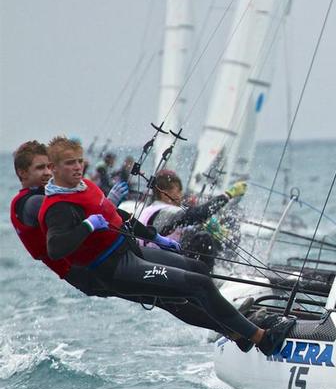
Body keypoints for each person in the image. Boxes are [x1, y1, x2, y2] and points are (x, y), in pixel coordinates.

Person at [38, 136, 292, 354]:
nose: (77, 167)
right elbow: (56, 248)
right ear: (52, 167)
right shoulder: (58, 207)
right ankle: (262, 339)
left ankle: (237, 334)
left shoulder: (85, 186)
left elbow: (118, 216)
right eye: (69, 163)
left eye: (79, 161)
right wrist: (88, 226)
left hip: (132, 251)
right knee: (198, 286)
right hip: (115, 268)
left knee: (198, 269)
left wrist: (155, 237)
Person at [9, 141, 239, 339]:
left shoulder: (54, 194)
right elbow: (66, 223)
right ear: (22, 173)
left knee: (179, 286)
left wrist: (154, 236)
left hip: (113, 256)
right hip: (92, 272)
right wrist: (101, 205)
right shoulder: (32, 204)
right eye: (40, 168)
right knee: (168, 296)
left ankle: (232, 326)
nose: (47, 173)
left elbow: (100, 214)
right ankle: (233, 331)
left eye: (48, 166)